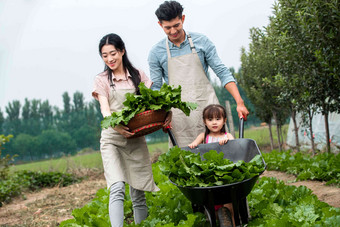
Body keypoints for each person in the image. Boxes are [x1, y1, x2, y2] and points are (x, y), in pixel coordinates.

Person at [148, 1, 249, 148]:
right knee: (185, 160)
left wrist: (239, 102)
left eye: (176, 25)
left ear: (183, 19)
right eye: (167, 28)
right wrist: (161, 116)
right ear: (160, 25)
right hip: (179, 116)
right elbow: (156, 88)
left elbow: (222, 72)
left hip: (208, 110)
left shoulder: (202, 41)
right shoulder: (156, 53)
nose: (173, 31)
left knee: (217, 155)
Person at [92, 33, 159, 227]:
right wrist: (116, 126)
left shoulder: (137, 75)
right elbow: (105, 109)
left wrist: (164, 114)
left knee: (138, 190)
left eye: (112, 53)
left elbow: (150, 103)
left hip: (135, 138)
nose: (109, 59)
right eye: (104, 55)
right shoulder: (102, 79)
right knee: (117, 187)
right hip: (112, 138)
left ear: (122, 51)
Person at [188, 104, 235, 227]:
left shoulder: (227, 136)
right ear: (205, 122)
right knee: (211, 204)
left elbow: (235, 146)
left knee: (229, 204)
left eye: (218, 119)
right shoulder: (204, 137)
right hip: (209, 175)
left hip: (226, 175)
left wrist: (228, 142)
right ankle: (214, 219)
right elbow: (193, 145)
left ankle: (233, 222)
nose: (214, 122)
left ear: (224, 120)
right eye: (210, 119)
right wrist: (193, 145)